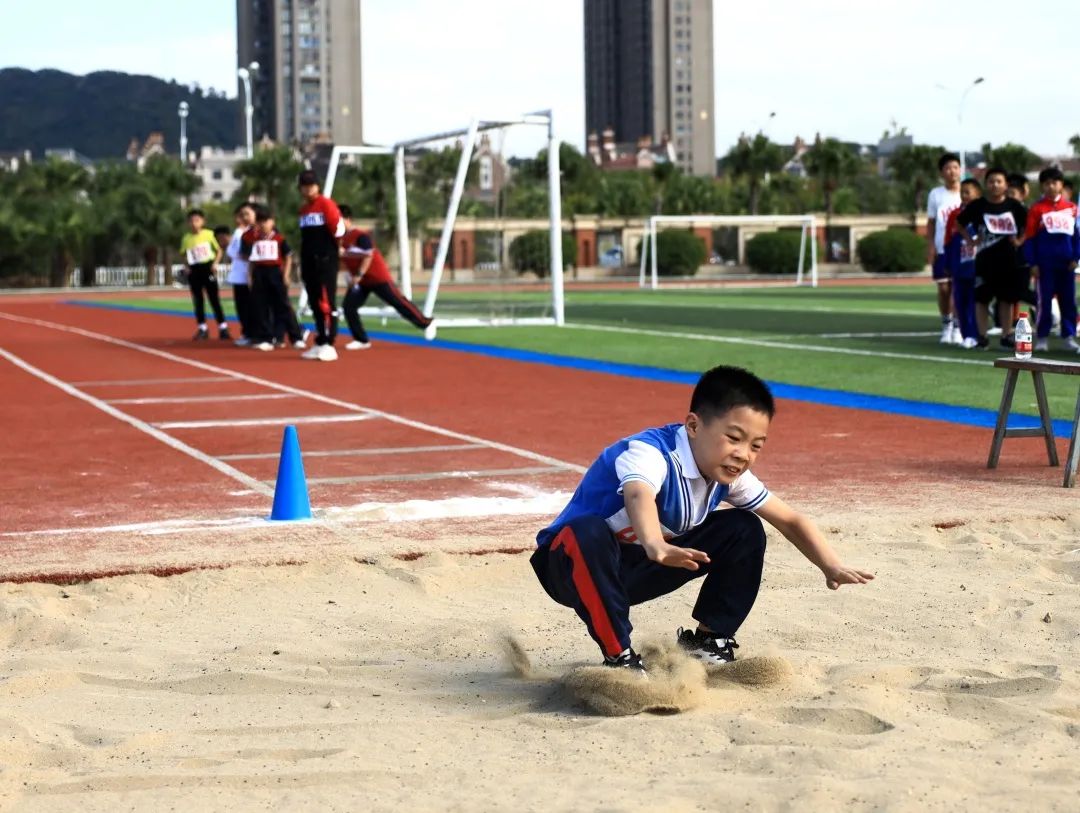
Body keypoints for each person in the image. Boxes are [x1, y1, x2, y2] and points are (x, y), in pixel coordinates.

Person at [530, 365, 873, 673]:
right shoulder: (651, 453)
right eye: (734, 438)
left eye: (756, 445)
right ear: (693, 425)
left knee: (743, 528)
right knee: (586, 531)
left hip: (635, 566)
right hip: (570, 568)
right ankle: (619, 657)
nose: (743, 454)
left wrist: (830, 566)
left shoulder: (728, 475)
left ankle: (709, 642)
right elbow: (639, 494)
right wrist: (656, 545)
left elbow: (790, 519)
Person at [338, 204, 433, 350]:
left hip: (376, 276)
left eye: (339, 220)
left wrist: (359, 274)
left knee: (397, 301)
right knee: (348, 307)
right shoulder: (340, 239)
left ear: (348, 219)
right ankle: (361, 339)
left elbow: (368, 255)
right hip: (361, 281)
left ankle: (425, 323)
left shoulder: (360, 236)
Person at [957, 168, 1029, 349]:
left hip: (1008, 260)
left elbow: (1030, 225)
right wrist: (971, 241)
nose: (995, 185)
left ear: (1005, 185)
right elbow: (959, 223)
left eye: (999, 181)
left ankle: (1006, 335)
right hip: (984, 260)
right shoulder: (978, 206)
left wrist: (1020, 240)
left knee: (1006, 300)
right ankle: (982, 337)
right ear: (986, 184)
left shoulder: (1014, 206)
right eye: (991, 181)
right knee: (981, 299)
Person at [1024, 166, 1079, 353]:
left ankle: (1069, 336)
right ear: (1041, 186)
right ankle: (1042, 337)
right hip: (1045, 265)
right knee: (1044, 302)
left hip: (1066, 264)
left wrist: (1075, 257)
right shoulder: (1036, 209)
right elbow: (1029, 238)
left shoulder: (1072, 209)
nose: (1050, 186)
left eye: (1054, 182)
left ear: (1061, 185)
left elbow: (1077, 236)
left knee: (1068, 302)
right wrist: (1032, 263)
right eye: (1046, 183)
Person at [241, 207, 305, 353]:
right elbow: (252, 260)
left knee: (283, 306)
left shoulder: (279, 238)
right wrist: (250, 276)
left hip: (275, 272)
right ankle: (266, 338)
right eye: (260, 222)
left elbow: (288, 256)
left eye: (266, 221)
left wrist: (286, 275)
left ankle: (296, 337)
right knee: (261, 306)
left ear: (272, 222)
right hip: (259, 273)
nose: (263, 224)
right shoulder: (254, 240)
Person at [297, 169, 344, 362]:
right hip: (309, 258)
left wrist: (333, 252)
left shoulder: (326, 204)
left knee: (326, 300)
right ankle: (320, 339)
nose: (308, 189)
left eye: (311, 185)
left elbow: (338, 229)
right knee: (314, 300)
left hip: (325, 259)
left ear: (318, 186)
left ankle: (329, 342)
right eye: (304, 186)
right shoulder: (303, 210)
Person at [926, 154, 963, 345]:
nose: (952, 171)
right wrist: (930, 246)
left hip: (961, 250)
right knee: (943, 288)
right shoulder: (935, 194)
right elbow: (931, 223)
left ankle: (957, 326)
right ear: (942, 172)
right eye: (948, 168)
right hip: (941, 248)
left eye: (955, 167)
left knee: (957, 288)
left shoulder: (966, 192)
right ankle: (946, 324)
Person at [179, 208, 230, 341]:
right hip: (194, 269)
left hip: (207, 267)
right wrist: (186, 266)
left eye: (197, 220)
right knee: (198, 300)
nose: (194, 223)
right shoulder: (186, 238)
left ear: (202, 221)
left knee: (214, 299)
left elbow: (219, 250)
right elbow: (183, 254)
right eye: (191, 221)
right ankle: (202, 328)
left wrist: (215, 264)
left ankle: (223, 327)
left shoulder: (209, 234)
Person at [944, 178, 982, 348]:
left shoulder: (983, 213)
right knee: (960, 301)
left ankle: (976, 334)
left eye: (968, 192)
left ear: (978, 194)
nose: (964, 196)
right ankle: (966, 335)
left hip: (976, 266)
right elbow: (949, 239)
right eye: (962, 193)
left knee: (974, 303)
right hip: (960, 265)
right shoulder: (955, 214)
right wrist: (948, 263)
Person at [224, 203, 256, 346]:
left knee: (253, 307)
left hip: (252, 275)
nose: (243, 218)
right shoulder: (239, 232)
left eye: (246, 214)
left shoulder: (255, 232)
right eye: (241, 215)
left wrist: (241, 255)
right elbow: (231, 252)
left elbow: (243, 254)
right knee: (242, 307)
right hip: (239, 276)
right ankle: (247, 333)